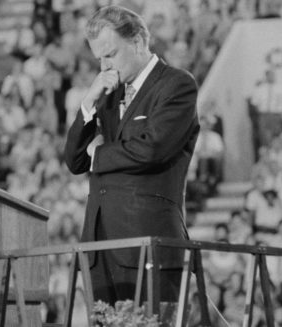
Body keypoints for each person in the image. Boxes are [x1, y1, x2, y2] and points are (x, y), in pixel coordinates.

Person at [64, 5, 199, 305]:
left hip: (149, 243)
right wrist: (88, 102)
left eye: (110, 55)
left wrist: (99, 154)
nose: (105, 66)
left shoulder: (176, 84)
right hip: (99, 247)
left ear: (137, 42)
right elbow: (75, 161)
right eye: (99, 59)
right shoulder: (108, 92)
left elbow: (151, 149)